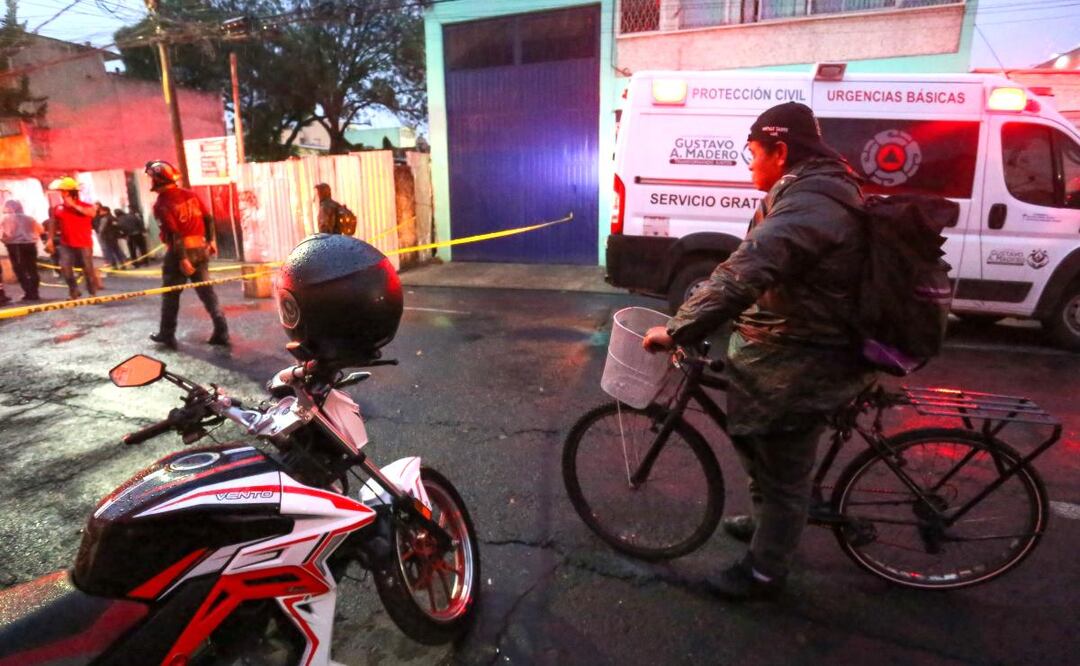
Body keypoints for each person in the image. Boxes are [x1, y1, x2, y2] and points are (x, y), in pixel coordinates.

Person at [642, 102, 875, 601]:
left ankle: (765, 573)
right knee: (761, 444)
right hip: (785, 343)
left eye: (752, 153)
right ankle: (768, 519)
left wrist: (680, 327)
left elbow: (751, 268)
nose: (748, 164)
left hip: (807, 357)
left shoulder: (815, 201)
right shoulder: (805, 192)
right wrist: (710, 305)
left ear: (780, 150)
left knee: (786, 469)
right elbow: (749, 264)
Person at [145, 160, 229, 348]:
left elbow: (174, 234)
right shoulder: (191, 195)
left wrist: (182, 258)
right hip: (200, 249)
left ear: (158, 178)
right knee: (208, 293)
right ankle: (222, 331)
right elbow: (208, 218)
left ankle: (166, 334)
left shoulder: (162, 204)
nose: (150, 180)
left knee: (170, 295)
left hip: (179, 253)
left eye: (151, 177)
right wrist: (211, 240)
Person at [45, 177, 100, 300]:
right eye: (61, 191)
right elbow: (53, 224)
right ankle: (74, 291)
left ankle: (92, 292)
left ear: (72, 192)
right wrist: (50, 239)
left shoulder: (85, 205)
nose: (62, 194)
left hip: (84, 242)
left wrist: (74, 205)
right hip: (66, 243)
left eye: (64, 191)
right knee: (65, 268)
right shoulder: (58, 208)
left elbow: (91, 213)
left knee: (87, 269)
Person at [1, 199, 43, 302]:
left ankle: (29, 293)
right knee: (32, 269)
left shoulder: (5, 219)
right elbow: (41, 229)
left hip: (15, 246)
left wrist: (5, 240)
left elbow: (3, 234)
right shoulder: (29, 218)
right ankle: (35, 292)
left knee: (20, 269)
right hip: (30, 245)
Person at [93, 202, 127, 269]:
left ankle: (114, 265)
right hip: (113, 237)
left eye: (101, 211)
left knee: (109, 251)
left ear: (105, 211)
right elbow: (118, 226)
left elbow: (101, 229)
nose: (100, 212)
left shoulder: (104, 219)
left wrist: (100, 235)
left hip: (107, 237)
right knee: (116, 250)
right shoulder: (113, 218)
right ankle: (122, 264)